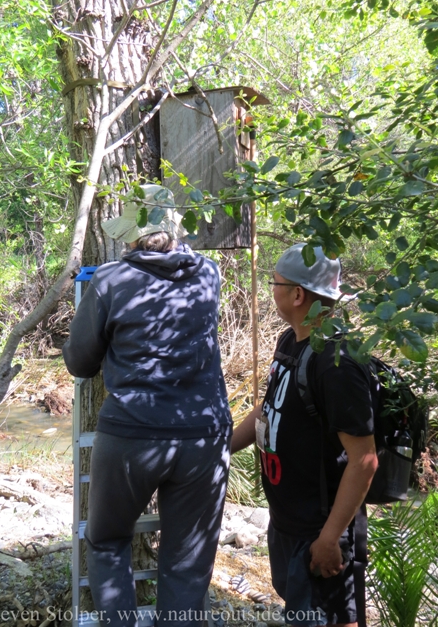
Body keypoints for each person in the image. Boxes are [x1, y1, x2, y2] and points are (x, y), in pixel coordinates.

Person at [62, 184, 232, 627]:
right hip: (203, 435)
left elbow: (80, 363)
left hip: (132, 432)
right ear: (174, 230)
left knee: (106, 539)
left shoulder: (111, 280)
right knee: (187, 562)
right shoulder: (208, 274)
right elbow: (189, 258)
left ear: (131, 237)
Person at [232, 243, 378, 627]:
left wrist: (330, 539)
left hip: (321, 531)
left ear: (297, 294)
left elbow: (364, 460)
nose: (271, 289)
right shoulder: (290, 341)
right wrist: (220, 447)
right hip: (287, 524)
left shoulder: (338, 363)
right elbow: (268, 410)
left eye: (275, 283)